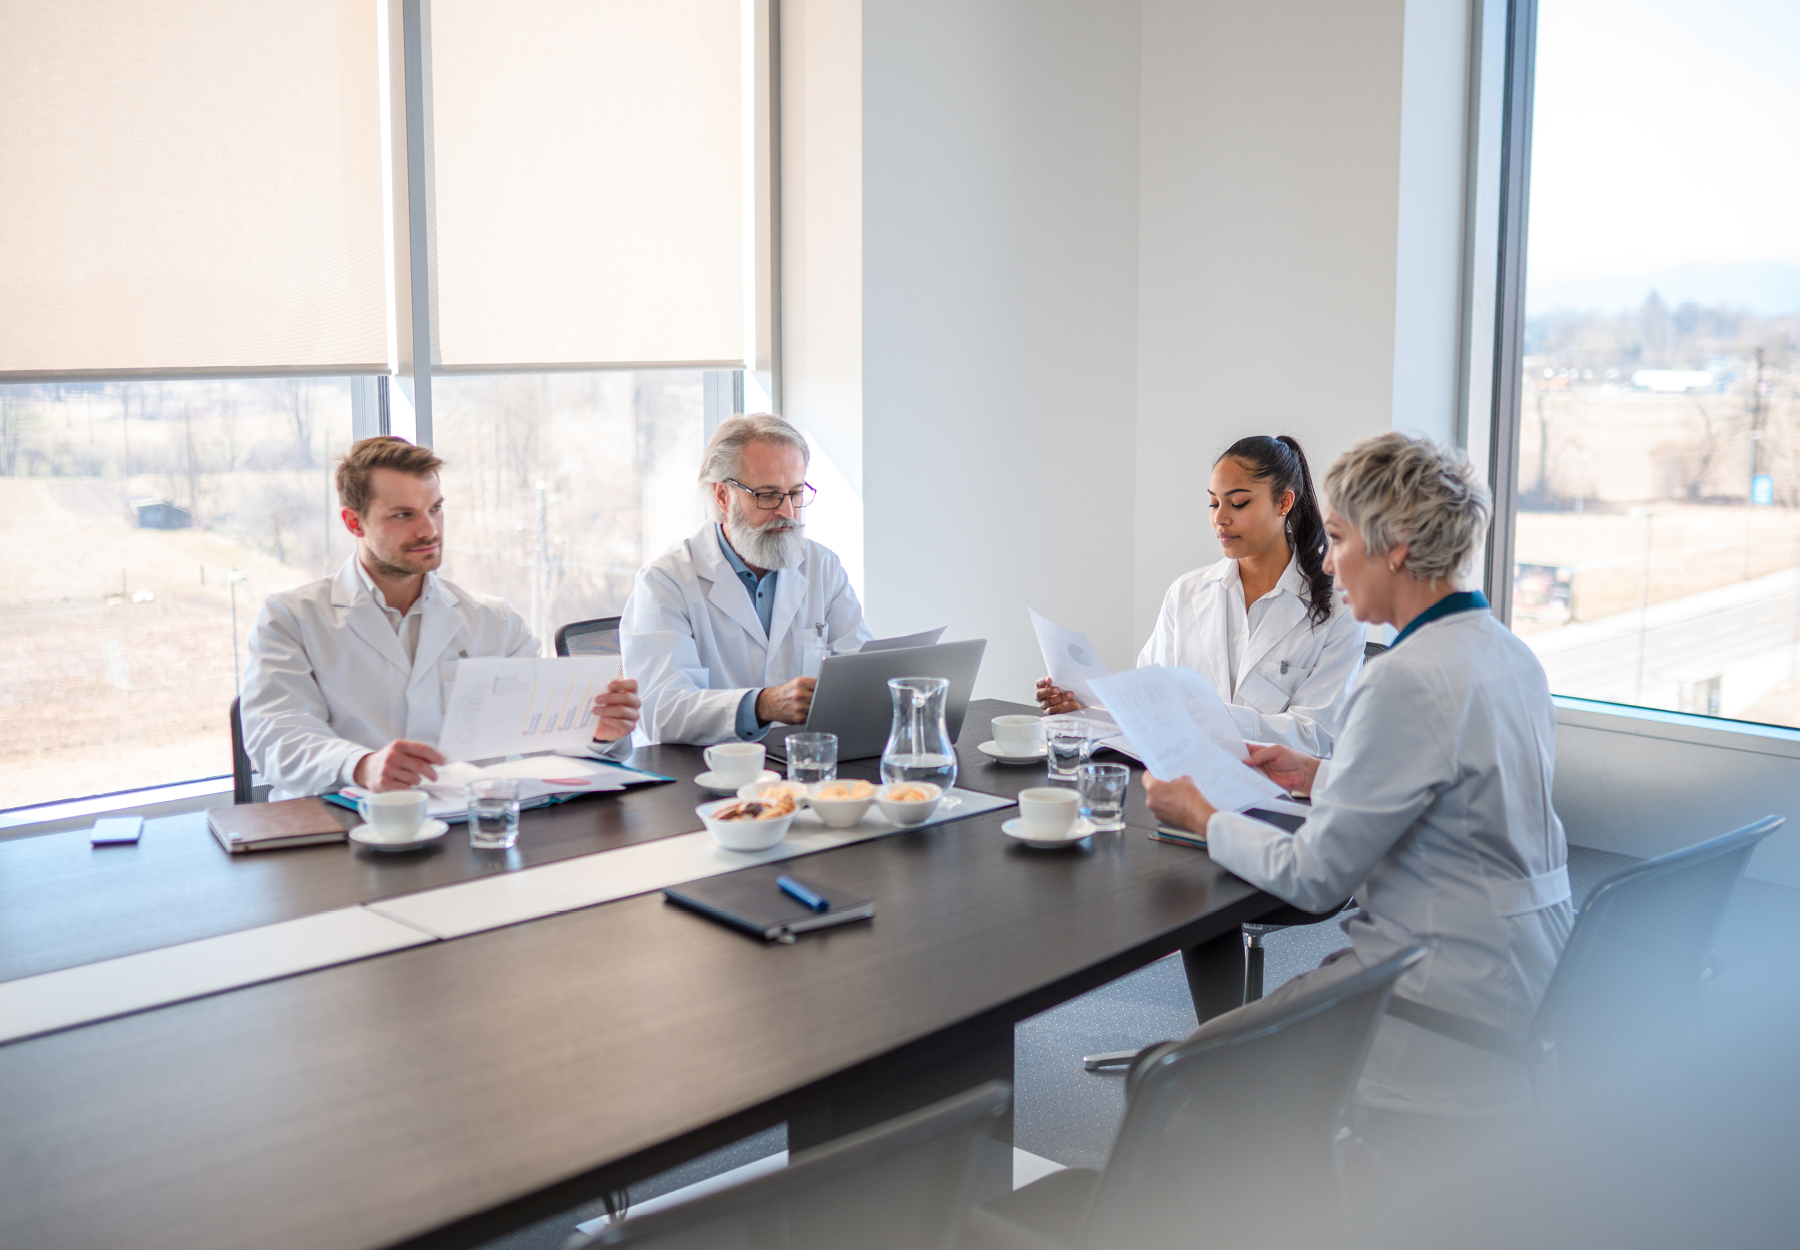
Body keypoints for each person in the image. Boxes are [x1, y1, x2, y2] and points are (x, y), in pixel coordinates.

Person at [1143, 431, 1572, 1123]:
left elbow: (1316, 879)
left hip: (1439, 984)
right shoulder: (1509, 656)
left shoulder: (1404, 678)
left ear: (1397, 546)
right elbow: (1443, 788)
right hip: (1530, 968)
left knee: (1182, 1072)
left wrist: (1202, 817)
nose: (1331, 568)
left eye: (1339, 539)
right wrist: (1319, 773)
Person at [240, 437, 640, 801]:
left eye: (435, 508)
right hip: (341, 831)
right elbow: (276, 737)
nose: (428, 529)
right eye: (403, 515)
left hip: (472, 828)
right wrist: (360, 766)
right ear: (353, 522)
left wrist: (597, 734)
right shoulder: (290, 618)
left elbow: (541, 741)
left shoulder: (494, 620)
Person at [1037, 434, 1365, 754]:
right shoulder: (1186, 593)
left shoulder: (1340, 609)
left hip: (1280, 795)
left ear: (1284, 502)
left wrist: (1209, 717)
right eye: (1213, 503)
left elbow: (1318, 737)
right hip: (1183, 782)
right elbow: (1147, 707)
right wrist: (1084, 709)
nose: (1220, 518)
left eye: (1238, 503)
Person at [620, 413, 872, 745]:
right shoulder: (665, 583)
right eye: (768, 495)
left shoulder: (821, 565)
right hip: (705, 775)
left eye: (795, 493)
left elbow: (862, 673)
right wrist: (762, 705)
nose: (787, 512)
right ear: (723, 497)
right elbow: (661, 711)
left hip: (802, 765)